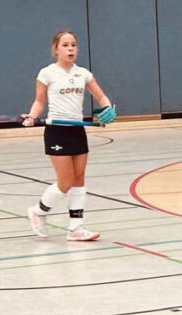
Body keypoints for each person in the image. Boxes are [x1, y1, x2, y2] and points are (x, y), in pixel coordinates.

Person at [23, 29, 117, 241]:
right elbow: (39, 101)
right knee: (65, 182)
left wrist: (108, 109)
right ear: (56, 49)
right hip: (57, 131)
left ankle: (76, 228)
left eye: (73, 45)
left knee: (79, 179)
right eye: (65, 45)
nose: (70, 48)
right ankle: (38, 211)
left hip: (77, 129)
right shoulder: (47, 73)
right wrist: (32, 116)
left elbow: (101, 96)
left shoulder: (83, 73)